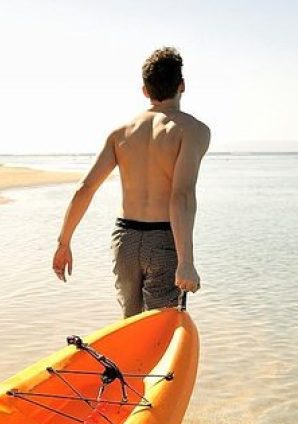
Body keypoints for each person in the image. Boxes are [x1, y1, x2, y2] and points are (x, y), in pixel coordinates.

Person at [52, 47, 210, 317]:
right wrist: (186, 262)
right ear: (182, 85)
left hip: (124, 238)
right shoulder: (192, 130)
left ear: (145, 90)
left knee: (131, 324)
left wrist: (63, 242)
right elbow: (181, 195)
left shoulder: (121, 133)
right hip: (164, 239)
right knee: (163, 327)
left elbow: (85, 188)